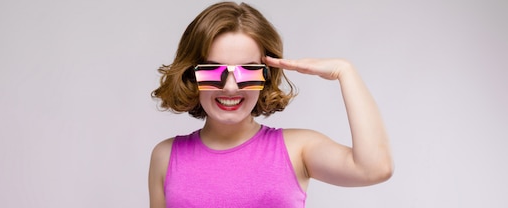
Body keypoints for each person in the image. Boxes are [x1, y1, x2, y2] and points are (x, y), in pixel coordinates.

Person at [149, 2, 393, 207]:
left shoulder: (297, 149)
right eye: (213, 70)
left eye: (248, 71)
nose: (231, 87)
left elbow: (375, 168)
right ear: (192, 74)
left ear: (266, 76)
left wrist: (345, 72)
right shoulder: (166, 156)